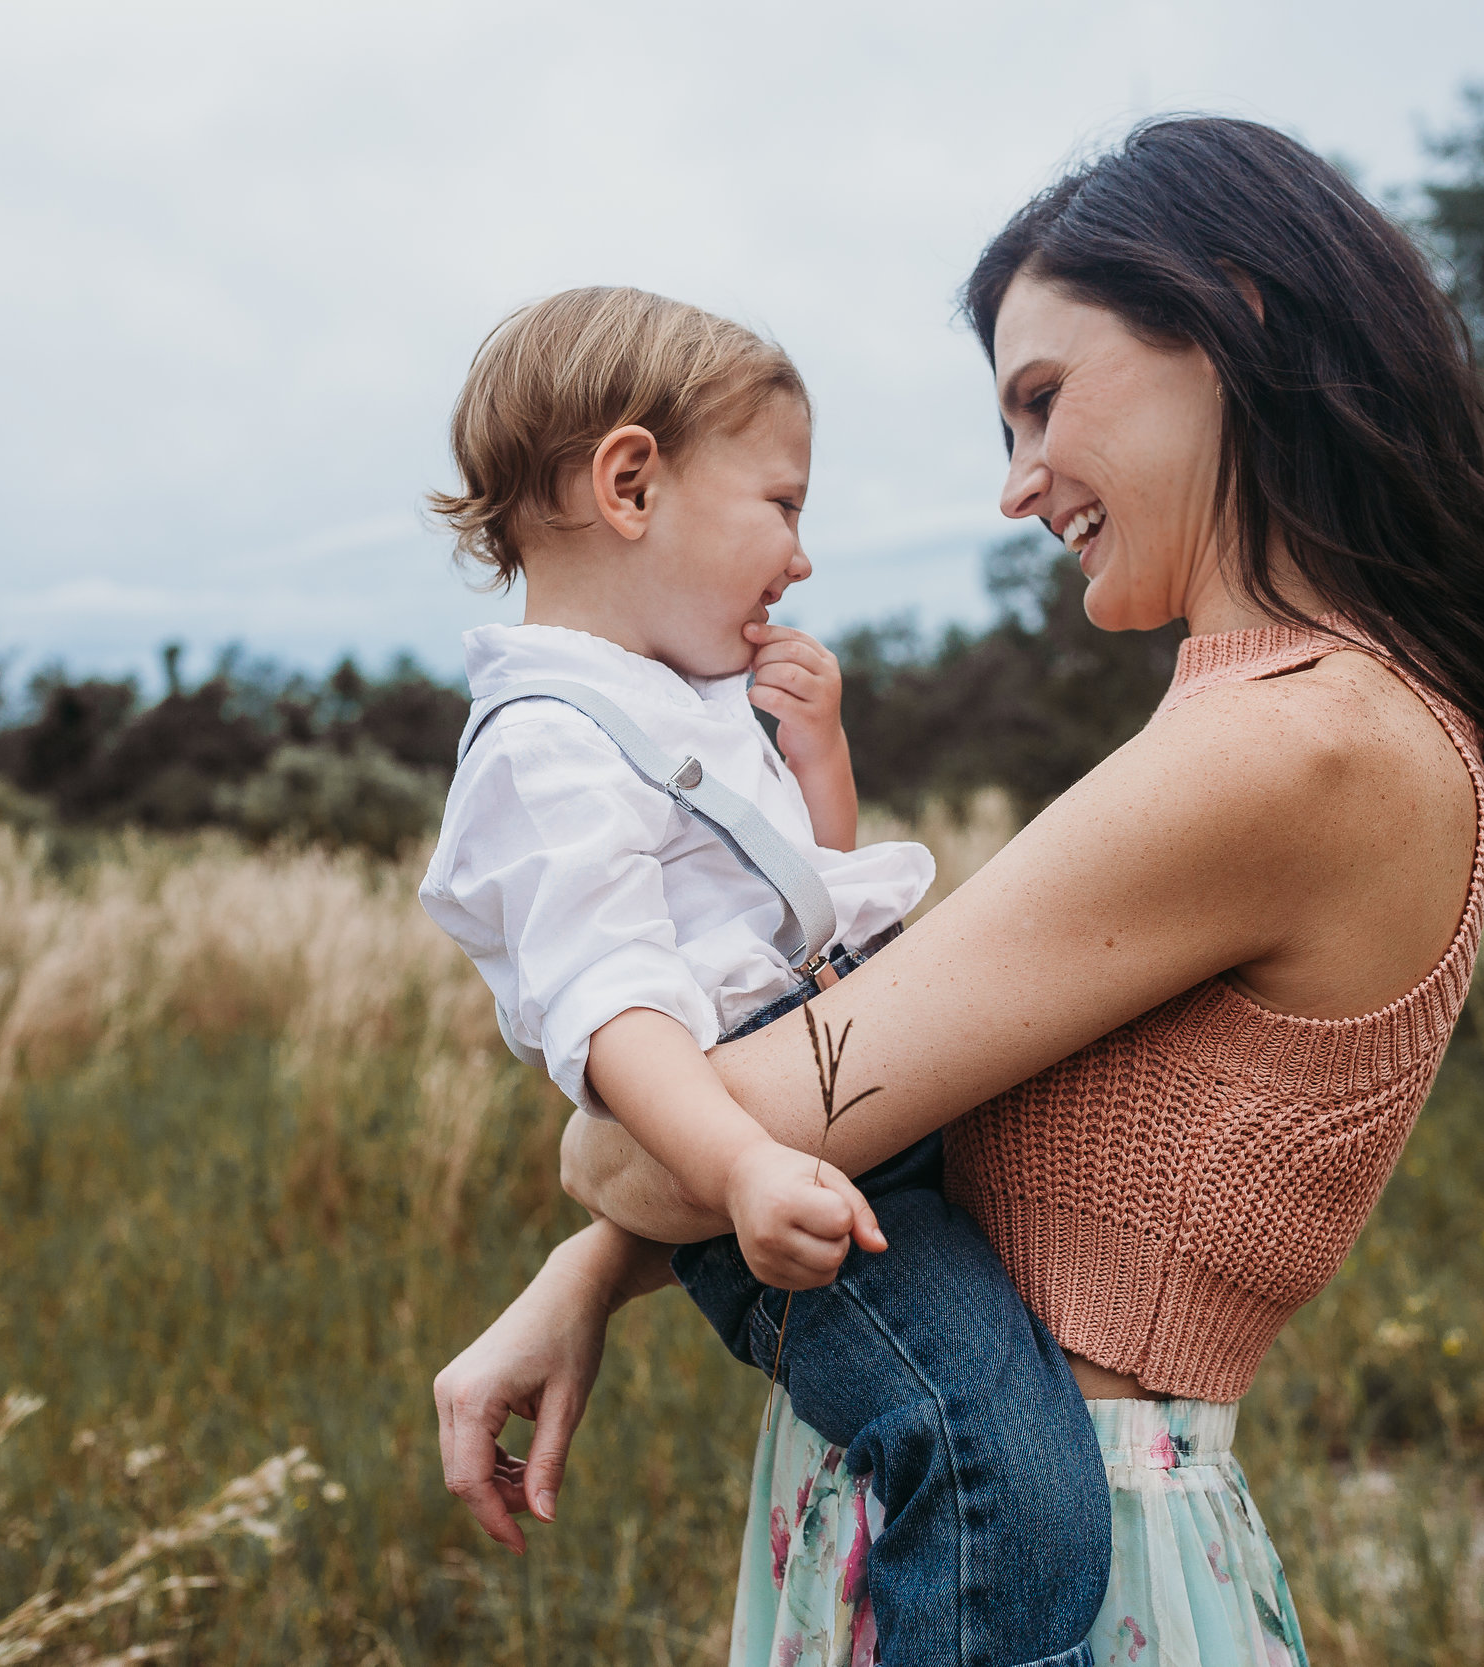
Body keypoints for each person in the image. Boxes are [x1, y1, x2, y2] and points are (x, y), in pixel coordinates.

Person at [435, 117, 1484, 1667]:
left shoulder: (1298, 743)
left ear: (1234, 316)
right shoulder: (1273, 717)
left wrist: (616, 1165)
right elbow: (920, 1086)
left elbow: (672, 1144)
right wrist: (601, 1265)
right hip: (983, 1515)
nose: (1018, 485)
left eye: (1043, 401)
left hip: (1047, 1551)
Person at [419, 287, 1113, 1667]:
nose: (799, 559)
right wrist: (738, 1173)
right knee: (989, 1467)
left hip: (823, 1097)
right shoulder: (546, 747)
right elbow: (619, 1013)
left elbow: (792, 926)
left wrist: (820, 770)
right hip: (789, 1160)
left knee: (1009, 1449)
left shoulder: (675, 708)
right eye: (782, 505)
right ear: (631, 484)